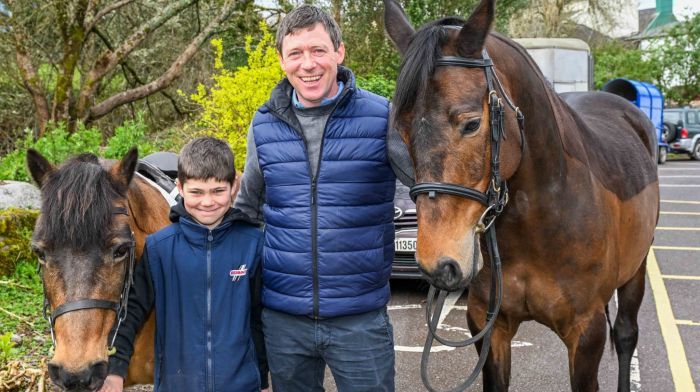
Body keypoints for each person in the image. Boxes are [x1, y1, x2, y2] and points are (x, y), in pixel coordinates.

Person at [234, 5, 413, 392]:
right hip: (284, 320)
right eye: (295, 53)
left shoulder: (382, 116)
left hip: (359, 318)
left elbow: (428, 188)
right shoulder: (263, 123)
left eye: (318, 50)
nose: (308, 64)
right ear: (281, 60)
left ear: (339, 52)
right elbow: (246, 208)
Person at [100, 137, 269, 392]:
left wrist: (263, 377)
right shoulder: (159, 248)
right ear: (180, 187)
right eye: (197, 192)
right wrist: (115, 369)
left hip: (240, 385)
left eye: (218, 191)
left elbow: (259, 318)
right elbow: (132, 312)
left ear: (234, 186)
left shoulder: (252, 243)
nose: (208, 202)